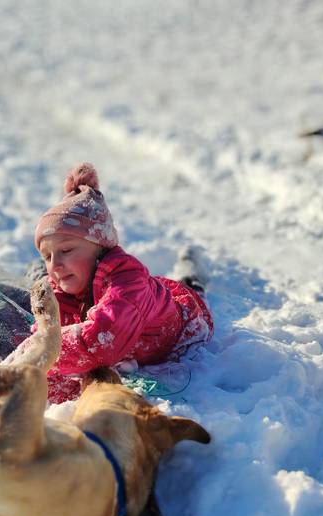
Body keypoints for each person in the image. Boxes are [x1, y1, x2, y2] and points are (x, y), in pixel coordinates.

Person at [11, 162, 213, 403]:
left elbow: (100, 342)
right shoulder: (63, 286)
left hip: (182, 322)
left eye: (66, 250)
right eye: (47, 257)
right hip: (139, 315)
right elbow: (48, 338)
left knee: (191, 288)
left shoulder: (129, 282)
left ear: (101, 247)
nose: (55, 264)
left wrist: (34, 356)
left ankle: (193, 268)